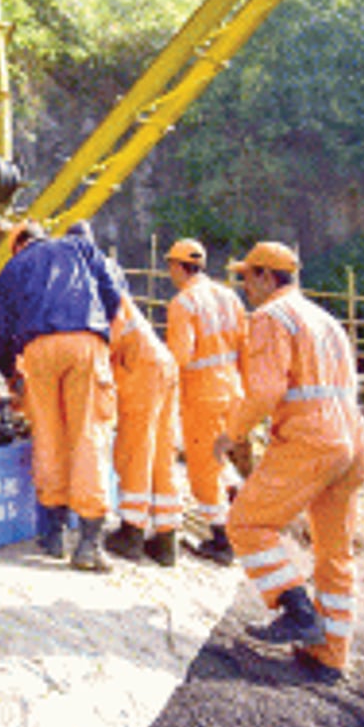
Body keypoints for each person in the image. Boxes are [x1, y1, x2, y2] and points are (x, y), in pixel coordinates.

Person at [214, 241, 364, 683]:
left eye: (247, 276)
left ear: (267, 276)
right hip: (353, 437)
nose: (244, 286)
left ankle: (296, 609)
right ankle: (330, 656)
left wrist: (231, 434)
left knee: (246, 524)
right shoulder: (326, 320)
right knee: (335, 552)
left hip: (311, 436)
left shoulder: (270, 317)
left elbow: (265, 392)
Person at [0, 223, 123, 571]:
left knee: (48, 437)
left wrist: (7, 371)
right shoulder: (79, 247)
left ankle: (54, 536)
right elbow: (112, 292)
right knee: (88, 434)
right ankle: (89, 543)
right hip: (85, 341)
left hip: (38, 350)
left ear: (17, 245)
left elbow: (0, 331)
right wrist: (98, 325)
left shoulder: (12, 268)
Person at [165, 237, 247, 564]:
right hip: (233, 391)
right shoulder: (229, 297)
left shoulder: (183, 303)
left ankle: (222, 540)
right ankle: (238, 506)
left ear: (178, 266)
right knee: (220, 459)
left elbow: (180, 356)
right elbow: (245, 344)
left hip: (203, 396)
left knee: (203, 470)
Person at [103, 279, 182, 567]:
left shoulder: (102, 294)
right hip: (162, 365)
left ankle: (131, 532)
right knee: (161, 452)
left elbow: (104, 344)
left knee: (134, 448)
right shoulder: (114, 291)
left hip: (141, 368)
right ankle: (166, 538)